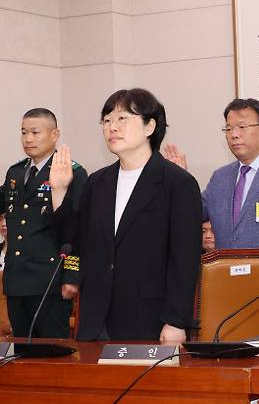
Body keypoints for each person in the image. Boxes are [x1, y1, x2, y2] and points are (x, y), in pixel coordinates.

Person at [50, 88, 202, 342]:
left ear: (149, 126)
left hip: (149, 317)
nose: (112, 127)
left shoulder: (177, 183)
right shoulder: (98, 181)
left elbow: (184, 259)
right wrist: (59, 191)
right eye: (107, 121)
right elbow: (73, 241)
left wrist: (175, 320)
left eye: (123, 119)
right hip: (96, 317)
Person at [164, 98, 259, 264]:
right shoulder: (220, 178)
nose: (234, 135)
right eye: (228, 129)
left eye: (242, 127)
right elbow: (190, 213)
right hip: (227, 281)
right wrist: (178, 180)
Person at [0, 108, 87, 338]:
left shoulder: (72, 172)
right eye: (24, 132)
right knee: (19, 353)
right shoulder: (15, 172)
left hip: (49, 279)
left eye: (35, 132)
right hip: (17, 278)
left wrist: (71, 276)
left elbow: (77, 228)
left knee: (52, 355)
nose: (28, 139)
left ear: (54, 134)